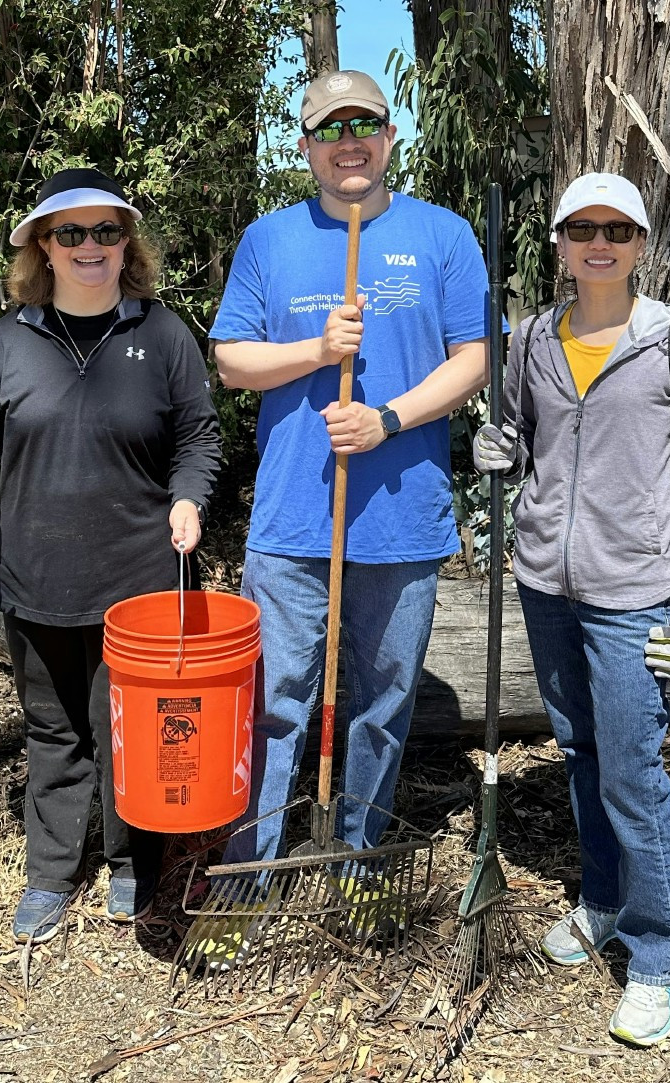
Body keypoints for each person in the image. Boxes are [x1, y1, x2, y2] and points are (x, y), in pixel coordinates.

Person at [201, 70, 490, 957]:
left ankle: (360, 867)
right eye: (332, 129)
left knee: (382, 703)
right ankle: (246, 880)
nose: (350, 141)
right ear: (306, 147)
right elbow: (230, 362)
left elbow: (475, 358)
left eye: (365, 123)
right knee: (273, 703)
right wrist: (316, 349)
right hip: (292, 520)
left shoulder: (442, 236)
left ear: (391, 135)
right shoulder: (269, 240)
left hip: (401, 520)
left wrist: (388, 417)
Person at [0, 167, 221, 944]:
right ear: (42, 249)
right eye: (71, 233)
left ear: (128, 244)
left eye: (107, 230)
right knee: (54, 727)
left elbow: (198, 436)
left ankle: (132, 863)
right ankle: (52, 872)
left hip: (140, 582)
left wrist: (189, 497)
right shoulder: (8, 341)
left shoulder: (162, 335)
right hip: (36, 576)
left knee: (129, 726)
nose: (91, 246)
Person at [473, 172, 670, 1046]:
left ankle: (659, 955)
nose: (600, 242)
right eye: (582, 227)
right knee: (580, 750)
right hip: (547, 581)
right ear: (560, 242)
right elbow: (518, 438)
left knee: (632, 767)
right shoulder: (534, 337)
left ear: (641, 244)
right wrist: (494, 448)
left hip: (637, 596)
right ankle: (605, 898)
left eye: (618, 228)